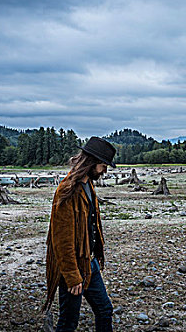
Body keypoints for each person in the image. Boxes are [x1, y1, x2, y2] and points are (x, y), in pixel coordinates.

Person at [43, 137, 116, 331]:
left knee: (104, 310)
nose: (104, 171)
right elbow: (61, 239)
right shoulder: (67, 190)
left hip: (89, 262)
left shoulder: (88, 185)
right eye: (102, 166)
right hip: (72, 266)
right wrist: (72, 276)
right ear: (91, 162)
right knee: (68, 322)